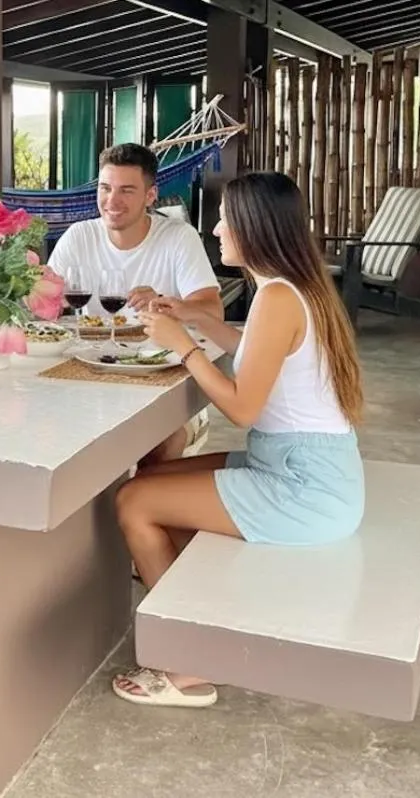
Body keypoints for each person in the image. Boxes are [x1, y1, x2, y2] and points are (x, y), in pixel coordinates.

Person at [110, 171, 366, 709]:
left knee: (134, 501)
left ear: (254, 227)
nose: (218, 228)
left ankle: (191, 662)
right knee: (152, 479)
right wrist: (186, 313)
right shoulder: (294, 288)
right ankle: (207, 614)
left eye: (227, 217)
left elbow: (243, 407)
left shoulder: (277, 295)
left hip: (304, 488)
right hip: (304, 467)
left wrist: (183, 345)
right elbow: (255, 348)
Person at [47, 142, 223, 464]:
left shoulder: (178, 237)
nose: (112, 201)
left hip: (161, 376)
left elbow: (213, 310)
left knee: (161, 440)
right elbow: (43, 305)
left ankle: (148, 507)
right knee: (50, 428)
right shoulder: (78, 236)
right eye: (105, 188)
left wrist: (167, 303)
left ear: (151, 195)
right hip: (92, 372)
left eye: (127, 190)